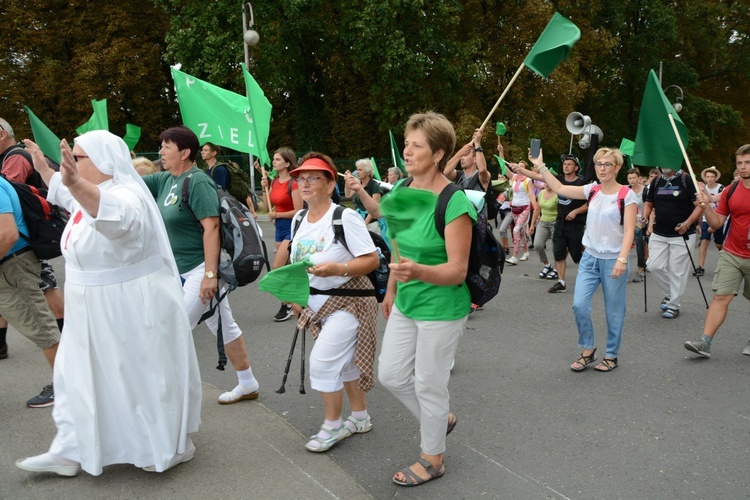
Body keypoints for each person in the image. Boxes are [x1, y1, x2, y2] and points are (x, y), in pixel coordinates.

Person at [15, 132, 201, 476]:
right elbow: (73, 196)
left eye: (79, 158)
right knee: (76, 377)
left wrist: (73, 182)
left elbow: (117, 220)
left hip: (128, 306)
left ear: (102, 161)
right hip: (89, 308)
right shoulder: (90, 193)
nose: (71, 164)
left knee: (136, 379)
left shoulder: (127, 195)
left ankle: (159, 446)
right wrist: (45, 169)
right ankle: (72, 449)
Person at [378, 112, 475, 486]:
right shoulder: (401, 189)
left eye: (416, 145)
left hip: (442, 306)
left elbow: (457, 270)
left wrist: (418, 272)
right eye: (407, 143)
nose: (407, 151)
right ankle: (440, 419)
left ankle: (433, 458)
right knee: (390, 373)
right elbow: (397, 248)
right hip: (407, 300)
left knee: (429, 383)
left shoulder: (455, 202)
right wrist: (391, 289)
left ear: (438, 154)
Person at [144, 126, 260, 404]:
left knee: (172, 330)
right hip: (179, 271)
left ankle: (164, 400)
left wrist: (210, 275)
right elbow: (126, 182)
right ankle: (248, 383)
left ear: (184, 153)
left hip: (200, 270)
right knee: (224, 325)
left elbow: (212, 228)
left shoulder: (197, 181)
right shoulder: (165, 180)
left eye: (166, 147)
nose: (160, 151)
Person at [288, 153, 380, 452]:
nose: (304, 183)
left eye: (313, 177)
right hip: (315, 304)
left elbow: (372, 259)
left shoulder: (344, 217)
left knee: (323, 363)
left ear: (330, 185)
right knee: (345, 364)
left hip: (349, 302)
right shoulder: (299, 219)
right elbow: (296, 264)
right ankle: (360, 417)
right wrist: (296, 296)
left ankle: (332, 425)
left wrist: (337, 269)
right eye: (301, 178)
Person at [527, 147, 636, 372]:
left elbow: (629, 231)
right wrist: (540, 165)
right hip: (590, 258)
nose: (602, 168)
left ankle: (611, 355)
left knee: (613, 311)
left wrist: (622, 260)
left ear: (617, 168)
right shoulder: (591, 190)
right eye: (598, 164)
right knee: (579, 305)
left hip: (613, 259)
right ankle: (588, 349)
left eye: (607, 164)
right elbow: (558, 187)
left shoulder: (627, 195)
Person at [0, 117, 65, 407]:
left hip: (15, 261)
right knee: (43, 322)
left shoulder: (10, 165)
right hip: (14, 261)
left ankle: (69, 389)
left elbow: (8, 234)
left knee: (44, 329)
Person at [684, 146, 750, 358]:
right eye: (739, 163)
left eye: (747, 162)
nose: (743, 167)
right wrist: (706, 208)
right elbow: (717, 223)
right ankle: (705, 342)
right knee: (721, 296)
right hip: (732, 252)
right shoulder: (731, 190)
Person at [510, 153, 589, 293]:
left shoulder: (582, 182)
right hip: (560, 222)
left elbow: (590, 203)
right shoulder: (558, 179)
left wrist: (576, 211)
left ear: (576, 167)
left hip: (576, 223)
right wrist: (520, 169)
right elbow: (538, 176)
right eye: (564, 164)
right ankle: (561, 282)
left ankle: (589, 274)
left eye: (569, 164)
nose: (566, 166)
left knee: (577, 254)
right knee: (558, 253)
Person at [642, 167, 703, 319]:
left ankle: (673, 305)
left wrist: (688, 223)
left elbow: (700, 206)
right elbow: (649, 203)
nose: (663, 164)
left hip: (682, 234)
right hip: (659, 232)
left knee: (678, 271)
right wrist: (644, 217)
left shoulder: (686, 179)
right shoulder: (657, 180)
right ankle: (671, 293)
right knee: (653, 265)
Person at [260, 147, 303, 321]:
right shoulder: (274, 181)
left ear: (286, 163)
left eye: (277, 159)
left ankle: (287, 304)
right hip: (279, 227)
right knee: (288, 268)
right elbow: (264, 206)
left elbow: (298, 210)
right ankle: (299, 300)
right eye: (273, 159)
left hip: (292, 228)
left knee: (278, 267)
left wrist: (277, 214)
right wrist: (264, 189)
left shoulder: (294, 183)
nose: (273, 162)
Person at [695, 166, 725, 277]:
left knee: (719, 244)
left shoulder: (722, 188)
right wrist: (698, 223)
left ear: (715, 177)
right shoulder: (703, 189)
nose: (710, 179)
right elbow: (701, 205)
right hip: (705, 219)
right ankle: (700, 266)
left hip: (719, 218)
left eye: (712, 176)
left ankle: (725, 264)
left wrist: (714, 224)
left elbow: (721, 204)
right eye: (707, 177)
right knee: (704, 241)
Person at [505, 166, 538, 265]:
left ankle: (515, 255)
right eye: (518, 165)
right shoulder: (514, 177)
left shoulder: (528, 180)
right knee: (522, 231)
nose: (519, 167)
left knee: (516, 229)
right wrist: (501, 153)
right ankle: (526, 251)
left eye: (522, 166)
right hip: (515, 208)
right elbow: (504, 167)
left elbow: (532, 195)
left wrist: (536, 208)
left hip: (525, 208)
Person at [344, 158, 382, 234]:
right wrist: (347, 180)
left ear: (368, 172)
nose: (357, 172)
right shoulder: (359, 184)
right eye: (357, 170)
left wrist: (365, 223)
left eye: (360, 170)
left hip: (371, 224)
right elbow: (347, 195)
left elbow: (375, 209)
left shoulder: (374, 185)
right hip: (360, 220)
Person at [529, 181, 558, 279]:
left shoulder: (558, 194)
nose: (546, 184)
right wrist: (532, 224)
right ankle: (547, 265)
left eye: (548, 182)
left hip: (555, 223)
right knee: (537, 245)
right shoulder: (541, 193)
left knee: (555, 248)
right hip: (543, 222)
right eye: (545, 182)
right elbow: (537, 209)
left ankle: (557, 269)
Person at [626, 168, 647, 282]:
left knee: (640, 247)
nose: (632, 180)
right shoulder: (626, 190)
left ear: (639, 178)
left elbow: (649, 206)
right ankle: (625, 270)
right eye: (629, 178)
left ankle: (640, 271)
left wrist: (645, 220)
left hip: (640, 223)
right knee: (625, 247)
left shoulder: (645, 191)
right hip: (628, 222)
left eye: (634, 178)